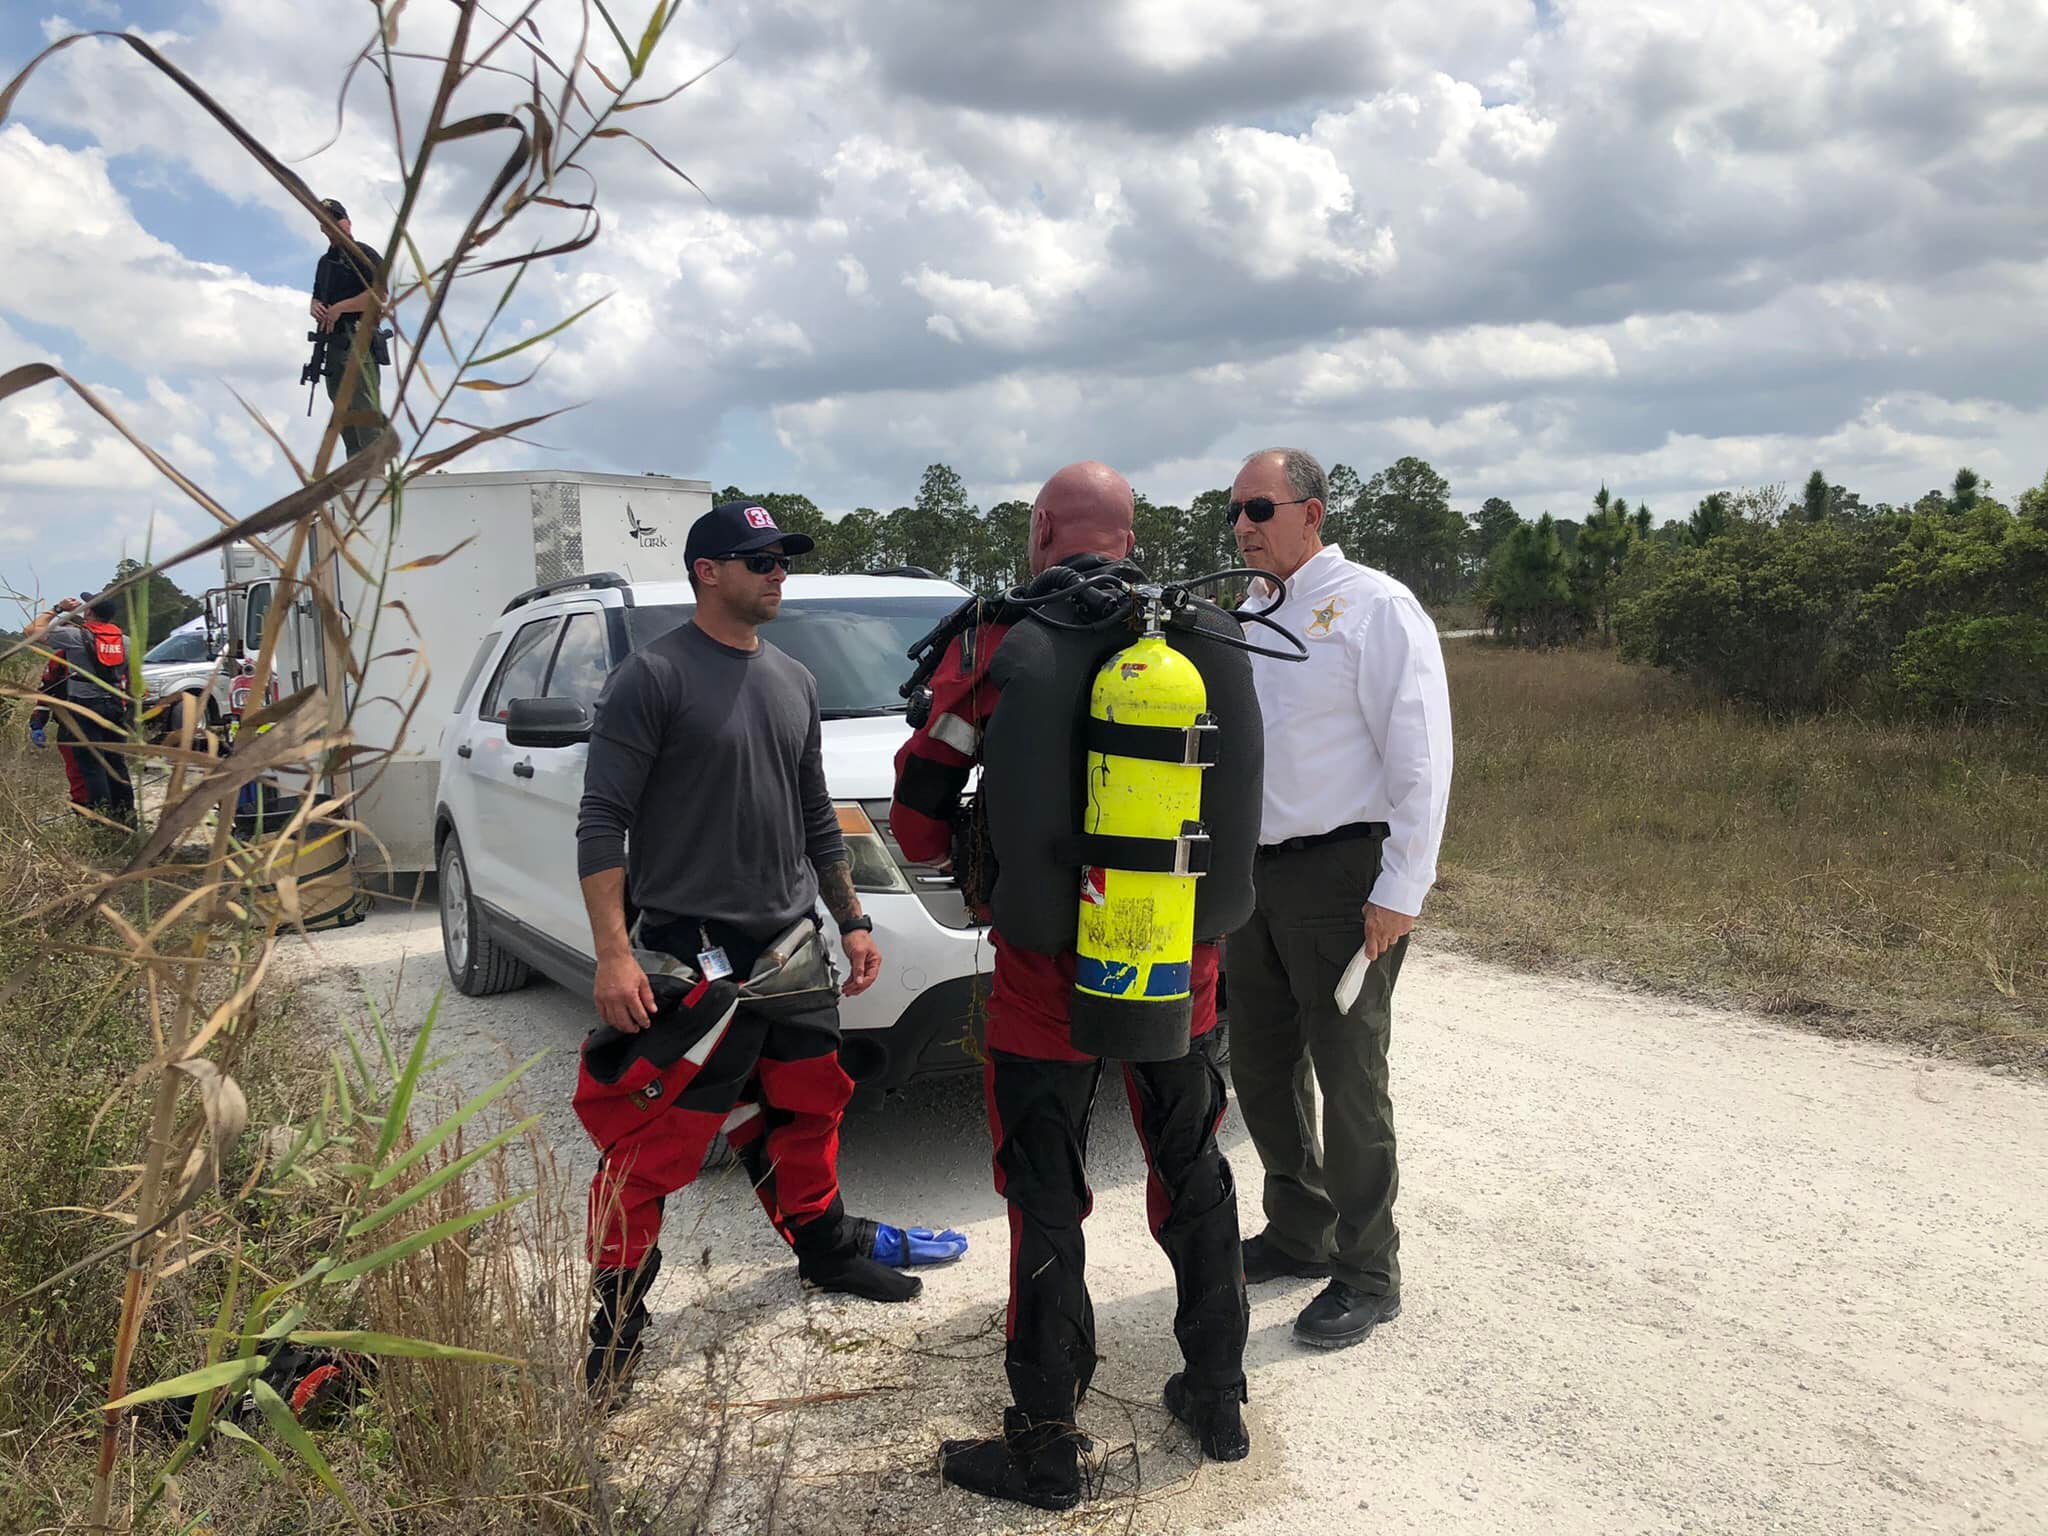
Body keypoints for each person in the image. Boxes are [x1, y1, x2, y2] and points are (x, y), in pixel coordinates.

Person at [890, 462, 1258, 1512]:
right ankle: (1216, 1395)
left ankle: (1045, 1444)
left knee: (1045, 1201)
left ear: (1044, 531)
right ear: (1132, 536)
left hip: (1043, 984)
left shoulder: (1000, 644)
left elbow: (919, 808)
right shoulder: (1198, 637)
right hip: (1177, 971)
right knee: (1192, 1173)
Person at [573, 500, 963, 1396]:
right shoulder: (653, 678)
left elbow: (816, 816)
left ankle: (824, 1253)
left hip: (790, 945)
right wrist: (612, 955)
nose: (777, 571)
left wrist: (853, 919)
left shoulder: (792, 677)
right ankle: (615, 1323)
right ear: (707, 572)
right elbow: (603, 821)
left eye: (784, 558)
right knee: (650, 1143)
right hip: (683, 952)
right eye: (759, 560)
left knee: (810, 1106)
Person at [1221, 447, 1452, 1350]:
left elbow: (1421, 756)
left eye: (1260, 508)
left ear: (1313, 512)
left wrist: (1403, 888)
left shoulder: (1373, 605)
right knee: (1262, 1066)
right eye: (1233, 511)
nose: (1242, 526)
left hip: (1342, 876)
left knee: (1349, 1075)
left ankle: (1368, 1270)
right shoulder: (1248, 611)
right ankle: (1300, 1229)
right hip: (1256, 877)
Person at [22, 592, 136, 823]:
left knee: (92, 768)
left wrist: (58, 607)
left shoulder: (75, 637)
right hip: (114, 707)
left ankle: (99, 820)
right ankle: (127, 818)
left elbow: (31, 631)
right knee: (116, 764)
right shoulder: (125, 641)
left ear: (89, 612)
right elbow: (131, 679)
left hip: (84, 708)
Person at [308, 198, 386, 459]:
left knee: (364, 407)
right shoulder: (326, 262)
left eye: (335, 219)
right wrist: (315, 305)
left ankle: (375, 473)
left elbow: (379, 295)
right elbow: (318, 295)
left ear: (347, 222)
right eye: (324, 221)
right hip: (333, 342)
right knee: (343, 412)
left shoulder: (363, 253)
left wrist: (341, 307)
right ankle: (356, 471)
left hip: (358, 337)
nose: (330, 225)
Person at [27, 653, 91, 807]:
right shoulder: (61, 658)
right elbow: (47, 692)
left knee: (92, 771)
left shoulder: (66, 655)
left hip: (93, 721)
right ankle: (86, 811)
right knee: (78, 771)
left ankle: (104, 811)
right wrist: (37, 724)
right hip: (71, 722)